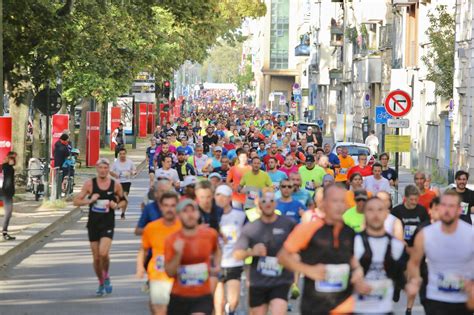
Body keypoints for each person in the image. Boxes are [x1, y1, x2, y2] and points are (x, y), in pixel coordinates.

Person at [277, 184, 370, 315]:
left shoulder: (349, 231)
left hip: (345, 306)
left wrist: (358, 272)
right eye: (334, 201)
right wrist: (308, 270)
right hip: (315, 305)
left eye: (342, 201)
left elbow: (351, 258)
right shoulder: (309, 228)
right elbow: (282, 256)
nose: (339, 205)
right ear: (324, 204)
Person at [406, 190, 474, 315]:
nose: (447, 210)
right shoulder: (425, 234)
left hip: (463, 300)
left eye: (451, 206)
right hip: (435, 298)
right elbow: (414, 263)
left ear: (459, 210)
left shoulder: (470, 234)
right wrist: (415, 280)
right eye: (443, 205)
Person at [233, 189, 296, 315]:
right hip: (258, 282)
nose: (268, 203)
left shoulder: (288, 224)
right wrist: (252, 252)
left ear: (276, 204)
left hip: (281, 280)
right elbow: (237, 254)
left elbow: (300, 248)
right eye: (264, 201)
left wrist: (290, 255)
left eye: (271, 200)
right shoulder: (251, 227)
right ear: (259, 204)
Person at [73, 158, 126, 296]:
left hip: (108, 222)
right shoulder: (90, 184)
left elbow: (124, 201)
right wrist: (90, 200)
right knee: (96, 257)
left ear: (108, 169)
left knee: (103, 253)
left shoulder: (115, 185)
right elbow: (76, 201)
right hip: (93, 223)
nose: (103, 170)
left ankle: (106, 274)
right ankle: (101, 281)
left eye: (105, 168)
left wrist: (116, 205)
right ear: (97, 169)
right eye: (100, 168)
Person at [164, 199, 221, 315]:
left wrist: (217, 266)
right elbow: (169, 272)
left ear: (198, 214)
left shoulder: (210, 234)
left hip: (202, 295)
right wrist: (178, 254)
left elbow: (217, 250)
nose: (190, 215)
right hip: (179, 296)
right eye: (185, 211)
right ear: (179, 216)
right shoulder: (172, 240)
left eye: (193, 211)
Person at [353, 197, 407, 314]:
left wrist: (410, 284)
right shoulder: (352, 243)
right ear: (364, 214)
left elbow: (402, 277)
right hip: (357, 310)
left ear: (386, 214)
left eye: (380, 210)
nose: (375, 214)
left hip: (385, 310)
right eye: (371, 210)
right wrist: (354, 282)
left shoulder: (396, 246)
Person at [136, 192, 182, 315]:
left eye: (173, 205)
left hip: (179, 277)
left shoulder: (183, 227)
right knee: (160, 311)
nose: (169, 209)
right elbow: (144, 249)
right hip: (157, 274)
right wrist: (140, 267)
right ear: (160, 207)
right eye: (166, 205)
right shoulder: (151, 228)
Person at [213, 185, 246, 315]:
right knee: (218, 304)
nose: (220, 199)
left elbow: (249, 234)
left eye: (223, 196)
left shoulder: (240, 215)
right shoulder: (210, 216)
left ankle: (230, 310)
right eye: (217, 195)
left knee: (234, 301)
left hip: (234, 262)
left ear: (230, 198)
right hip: (216, 262)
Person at [110, 147, 136, 219]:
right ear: (119, 155)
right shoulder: (116, 163)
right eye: (121, 154)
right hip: (118, 183)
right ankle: (120, 207)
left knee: (124, 195)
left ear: (126, 154)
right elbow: (110, 171)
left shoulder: (130, 162)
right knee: (119, 198)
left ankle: (123, 212)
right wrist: (115, 175)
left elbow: (134, 171)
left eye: (124, 154)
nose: (122, 155)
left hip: (127, 182)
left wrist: (131, 172)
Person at [2, 151, 17, 240]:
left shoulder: (6, 167)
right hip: (6, 193)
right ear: (10, 159)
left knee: (8, 213)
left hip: (6, 192)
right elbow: (8, 182)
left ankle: (5, 232)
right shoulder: (8, 168)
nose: (16, 160)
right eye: (14, 158)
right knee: (8, 213)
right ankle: (4, 233)